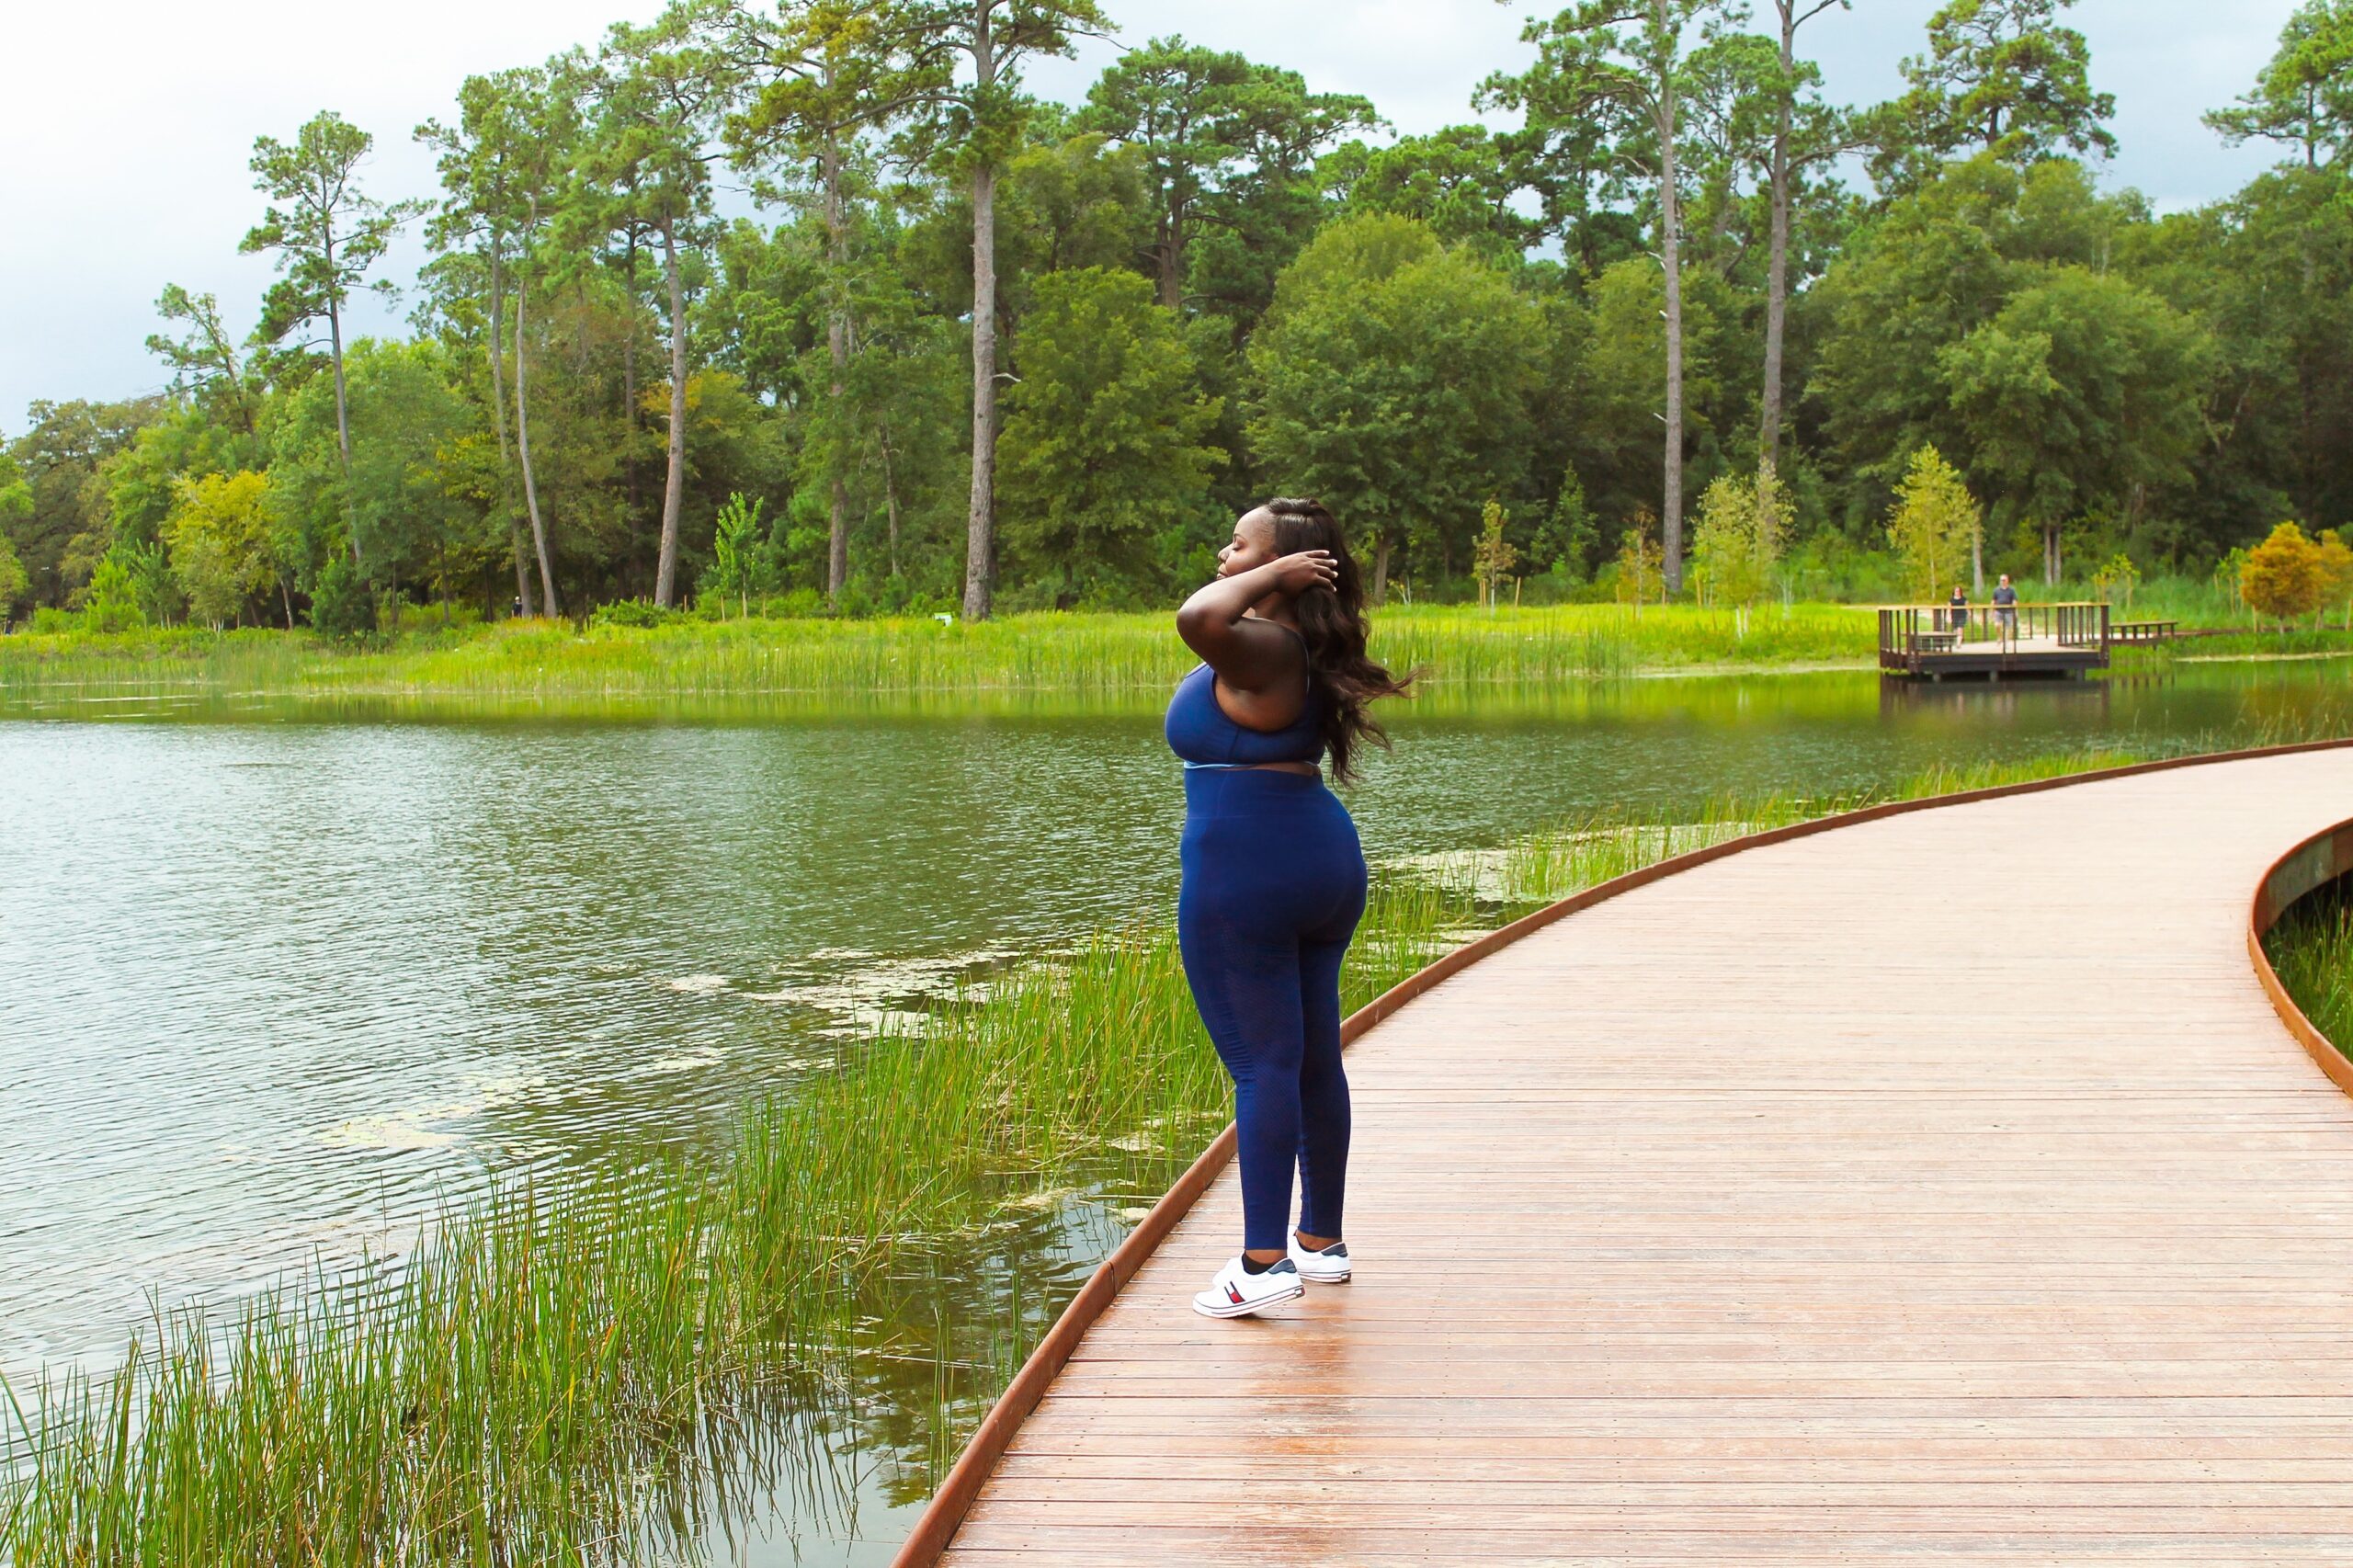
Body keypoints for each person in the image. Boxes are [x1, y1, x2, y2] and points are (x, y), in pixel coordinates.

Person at [1167, 497, 1410, 1319]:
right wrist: (1278, 573)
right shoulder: (1295, 649)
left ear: (1289, 567)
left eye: (1241, 545)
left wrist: (1272, 574)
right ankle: (1321, 1242)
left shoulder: (1262, 643)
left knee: (1261, 1063)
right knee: (1308, 1057)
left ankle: (1261, 1262)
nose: (1225, 554)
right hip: (1317, 858)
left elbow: (1194, 616)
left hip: (1249, 869)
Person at [1993, 574, 2018, 639]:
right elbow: (1993, 600)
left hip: (2008, 611)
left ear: (2007, 581)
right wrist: (1992, 611)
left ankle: (2005, 642)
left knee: (2009, 627)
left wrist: (2015, 610)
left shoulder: (2012, 590)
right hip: (1999, 611)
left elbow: (2014, 600)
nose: (2002, 581)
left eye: (2004, 580)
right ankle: (2000, 637)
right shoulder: (1996, 590)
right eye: (2001, 580)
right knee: (1997, 625)